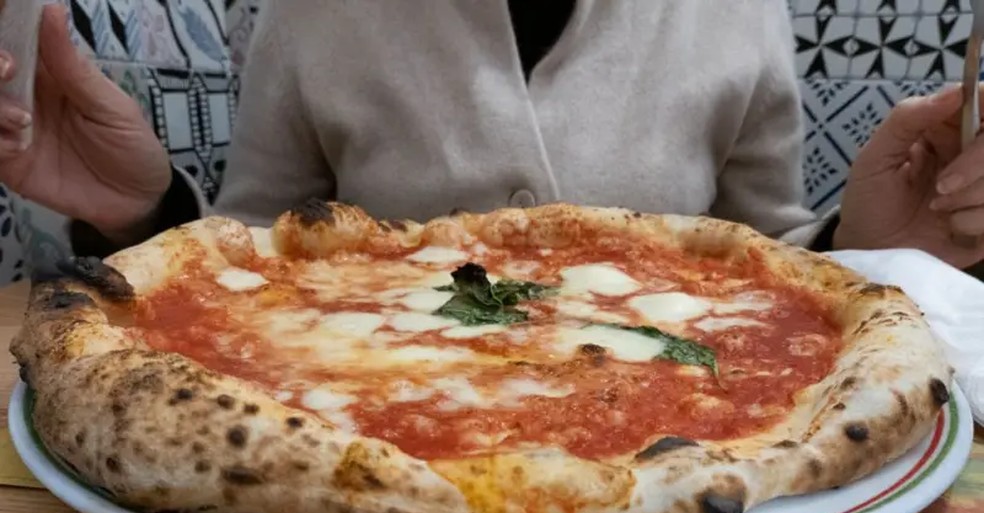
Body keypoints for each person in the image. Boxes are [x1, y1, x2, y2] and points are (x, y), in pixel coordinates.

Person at [0, 1, 981, 271]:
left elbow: (763, 255)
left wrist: (871, 249)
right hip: (360, 421)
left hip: (694, 447)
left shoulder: (737, 10)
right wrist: (143, 213)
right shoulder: (311, 13)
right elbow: (253, 259)